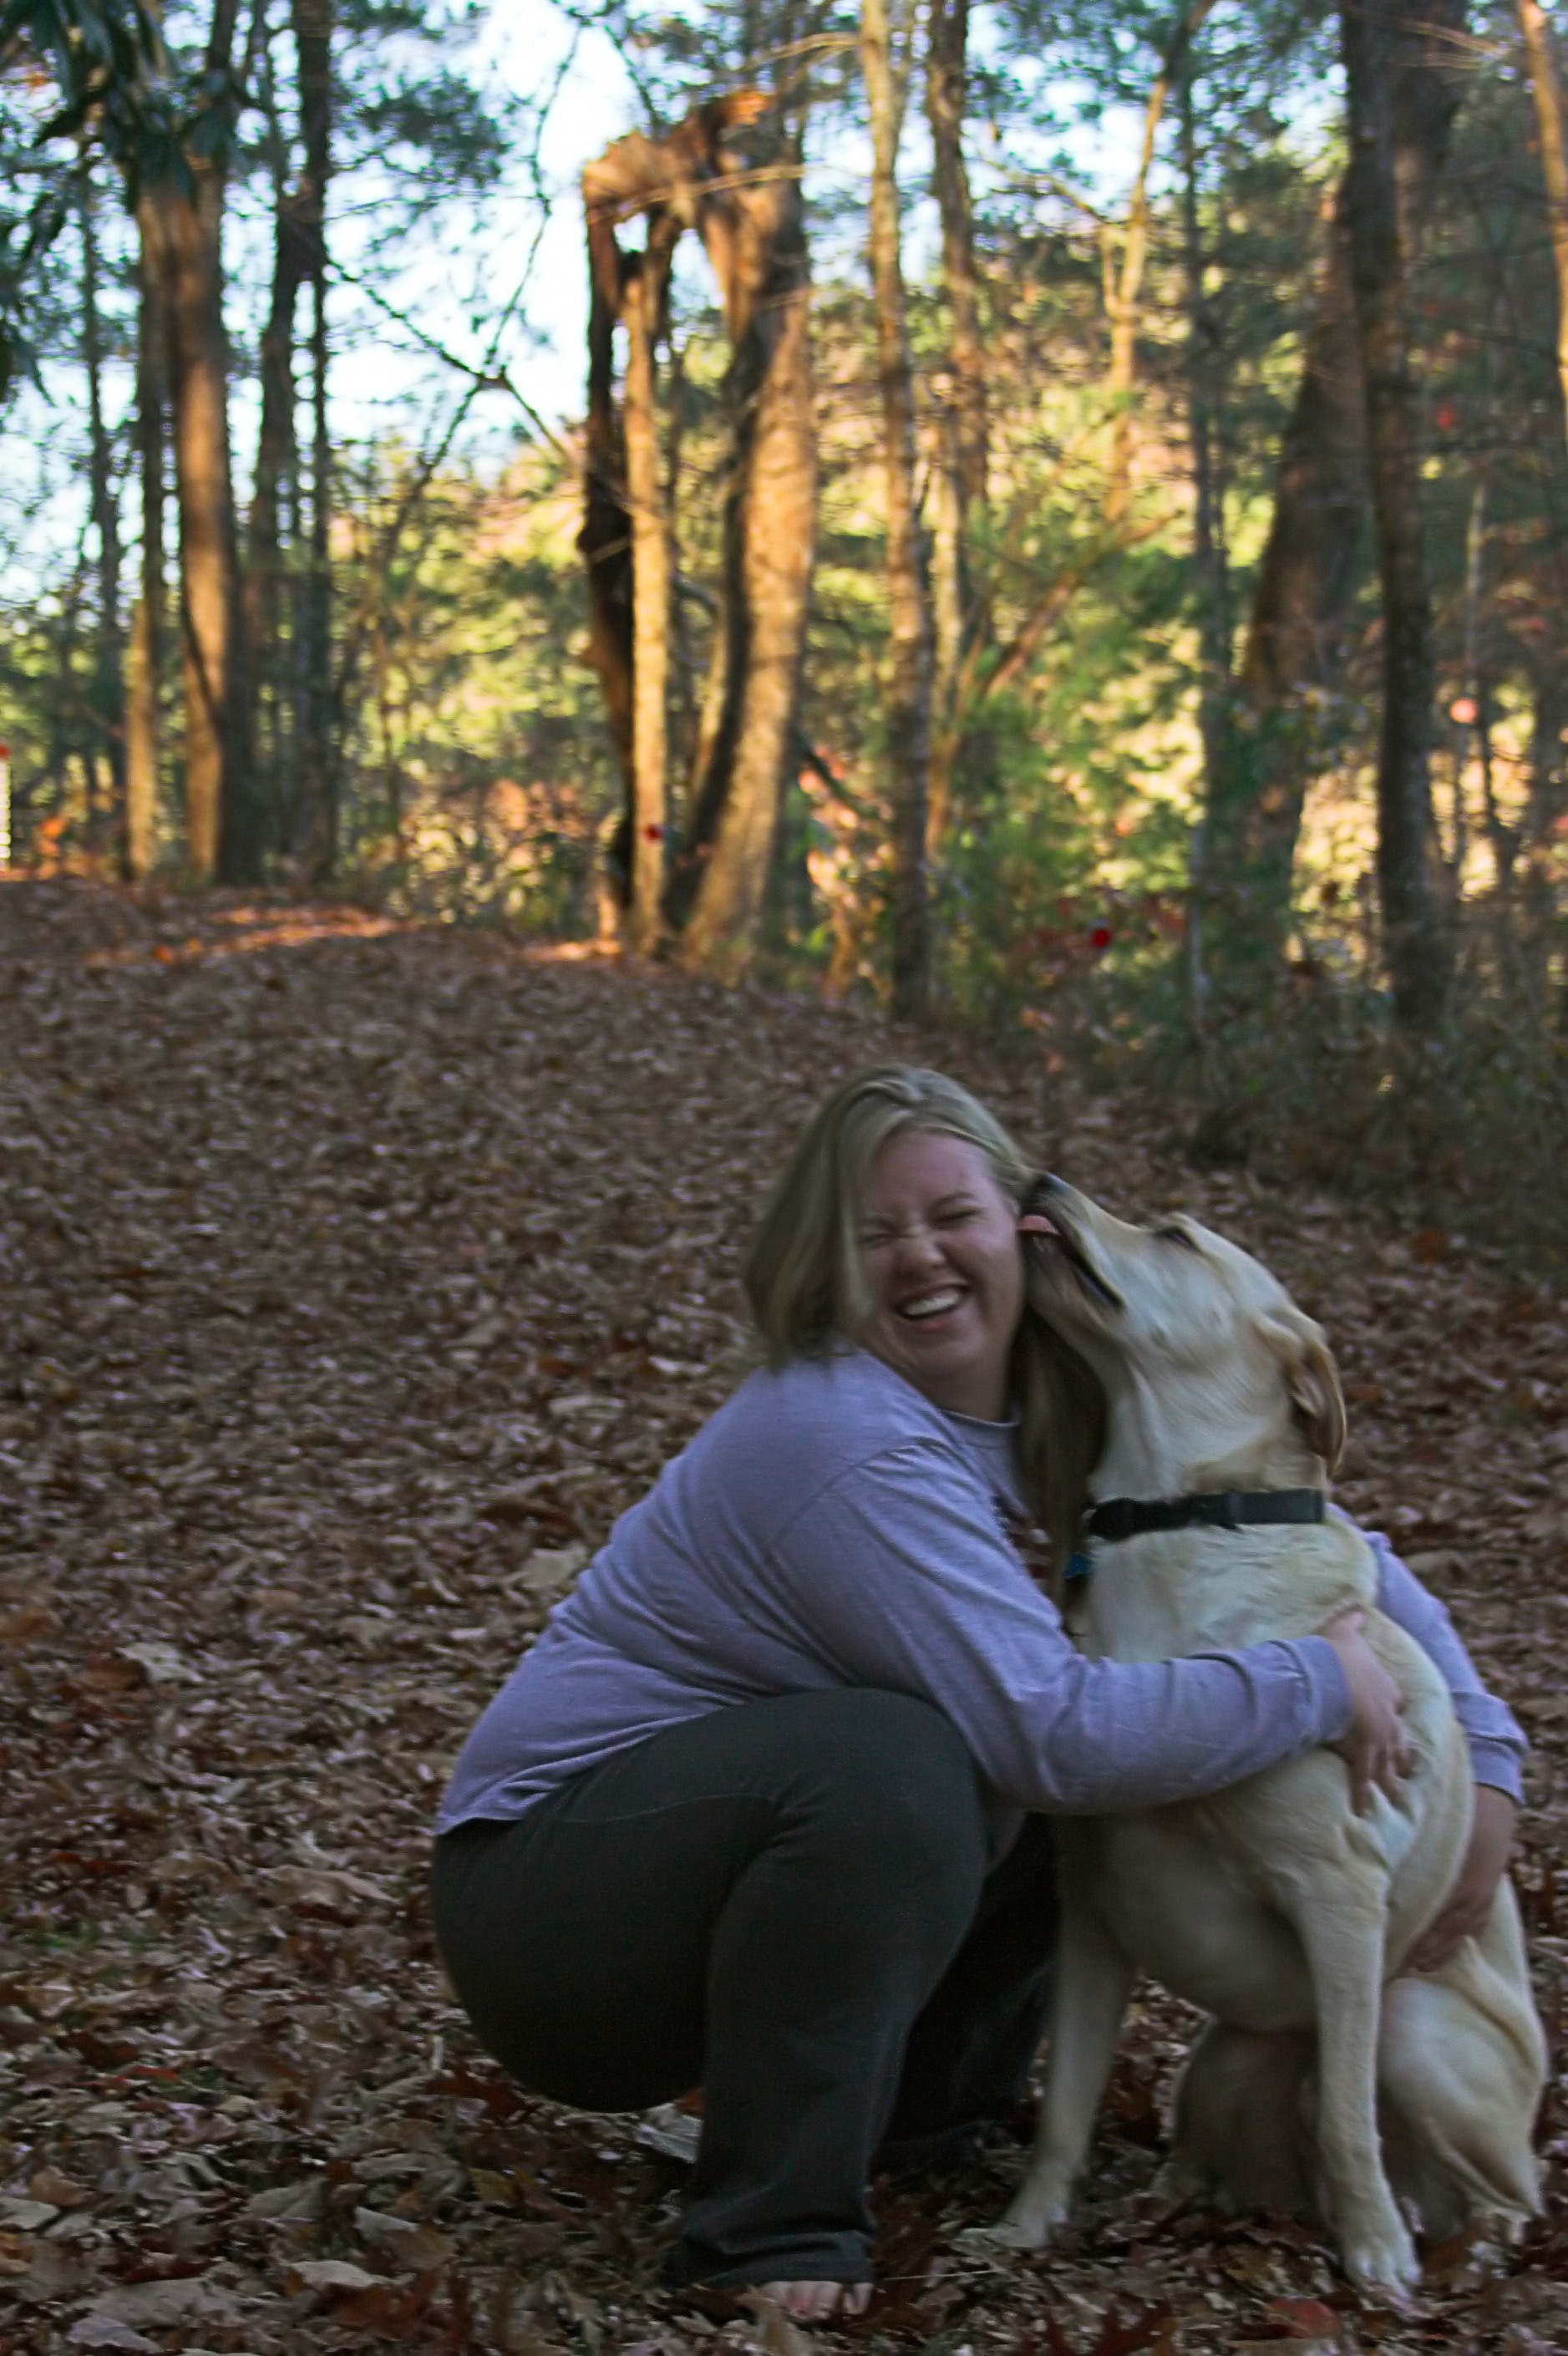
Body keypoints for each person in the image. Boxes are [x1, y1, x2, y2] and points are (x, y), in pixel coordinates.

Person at [429, 1065, 1525, 2320]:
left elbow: (1316, 1534)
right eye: (873, 1232)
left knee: (960, 1764)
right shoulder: (836, 1431)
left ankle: (922, 2123)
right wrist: (1314, 1681)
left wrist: (1486, 1762)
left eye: (951, 1214)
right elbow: (1051, 1737)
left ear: (1018, 1223)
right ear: (822, 1263)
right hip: (557, 1910)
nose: (920, 1259)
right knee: (902, 1764)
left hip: (729, 1870)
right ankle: (766, 2229)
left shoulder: (1070, 1399)